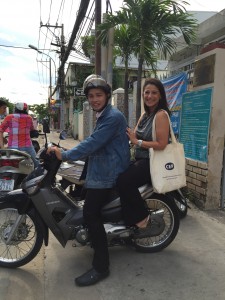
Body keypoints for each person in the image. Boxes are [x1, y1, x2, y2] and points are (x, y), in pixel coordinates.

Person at [47, 74, 130, 287]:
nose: (94, 99)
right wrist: (67, 151)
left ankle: (101, 267)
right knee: (81, 198)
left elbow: (93, 142)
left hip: (109, 172)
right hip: (101, 167)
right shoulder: (103, 114)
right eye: (91, 96)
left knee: (90, 213)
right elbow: (96, 144)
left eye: (98, 95)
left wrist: (64, 155)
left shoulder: (112, 116)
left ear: (107, 96)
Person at [116, 78, 170, 235]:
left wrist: (137, 141)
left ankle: (141, 217)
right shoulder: (145, 115)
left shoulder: (160, 115)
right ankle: (124, 218)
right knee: (116, 174)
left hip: (152, 162)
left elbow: (161, 144)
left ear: (160, 96)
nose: (150, 96)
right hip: (140, 159)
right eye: (147, 92)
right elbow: (133, 134)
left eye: (154, 93)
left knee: (123, 180)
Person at [0, 102, 39, 168]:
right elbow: (32, 129)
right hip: (27, 147)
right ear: (26, 109)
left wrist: (2, 147)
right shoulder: (29, 118)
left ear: (15, 109)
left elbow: (0, 131)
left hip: (13, 147)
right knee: (36, 164)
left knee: (8, 165)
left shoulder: (9, 117)